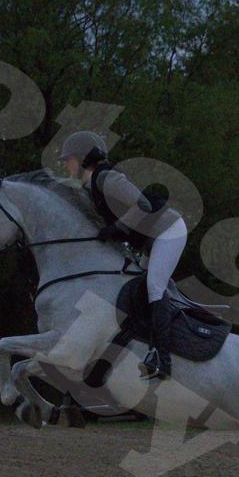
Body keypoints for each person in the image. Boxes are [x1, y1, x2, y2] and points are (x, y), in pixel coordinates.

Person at [58, 130, 187, 380]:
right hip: (151, 240)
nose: (66, 164)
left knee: (154, 287)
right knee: (137, 290)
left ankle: (162, 360)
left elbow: (143, 205)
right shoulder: (91, 186)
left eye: (69, 159)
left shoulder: (106, 178)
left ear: (84, 158)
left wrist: (116, 228)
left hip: (168, 230)